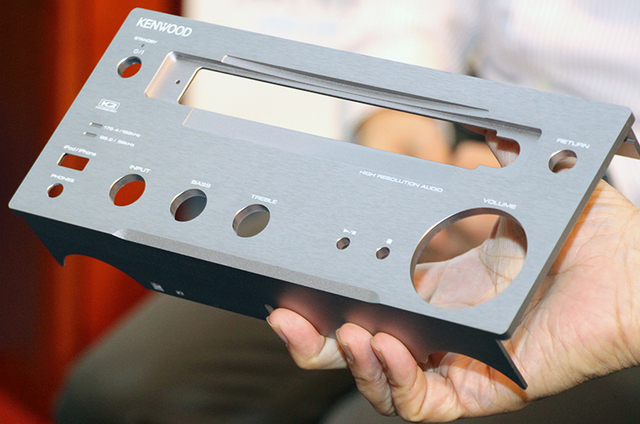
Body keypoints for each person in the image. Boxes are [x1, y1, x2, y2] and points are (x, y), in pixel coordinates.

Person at [56, 1, 640, 423]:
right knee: (118, 393)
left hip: (620, 226)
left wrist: (564, 215)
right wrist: (395, 113)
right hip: (472, 134)